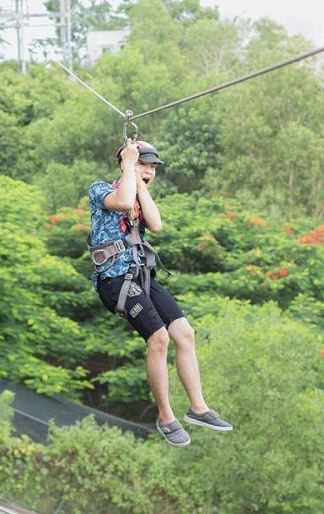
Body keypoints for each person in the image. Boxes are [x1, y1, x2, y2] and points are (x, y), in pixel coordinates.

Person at [87, 139, 233, 447]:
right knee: (159, 338)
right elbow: (123, 202)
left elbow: (156, 225)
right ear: (126, 164)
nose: (149, 172)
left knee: (184, 333)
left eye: (152, 168)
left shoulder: (139, 194)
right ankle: (166, 417)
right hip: (115, 281)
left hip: (142, 276)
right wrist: (129, 165)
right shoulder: (100, 189)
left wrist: (142, 185)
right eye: (144, 165)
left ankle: (198, 407)